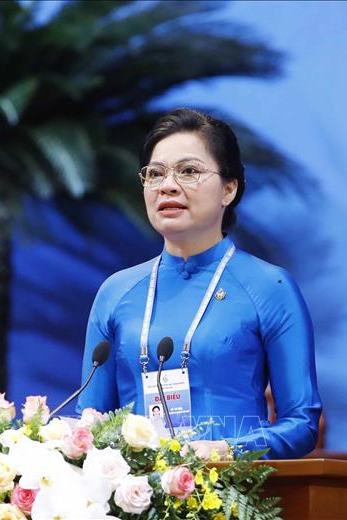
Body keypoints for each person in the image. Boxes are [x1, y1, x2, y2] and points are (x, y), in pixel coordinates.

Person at [77, 108, 322, 460]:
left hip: (230, 498)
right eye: (155, 174)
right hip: (132, 502)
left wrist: (227, 451)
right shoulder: (116, 292)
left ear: (229, 189)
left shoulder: (270, 287)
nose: (168, 185)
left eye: (189, 171)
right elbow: (90, 422)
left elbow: (302, 424)